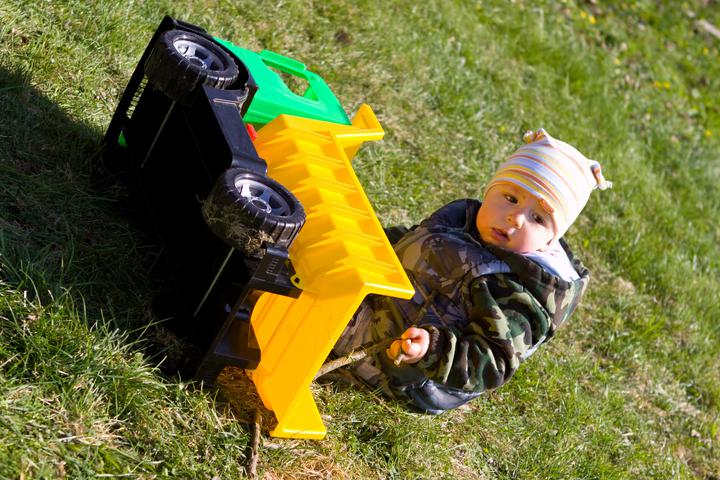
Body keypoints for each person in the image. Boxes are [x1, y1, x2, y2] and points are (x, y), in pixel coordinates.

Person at [331, 128, 612, 413]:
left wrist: (431, 350)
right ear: (491, 190)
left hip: (410, 369)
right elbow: (415, 242)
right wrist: (367, 240)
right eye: (511, 198)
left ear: (550, 240)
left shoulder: (517, 290)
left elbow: (492, 361)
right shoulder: (465, 220)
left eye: (538, 218)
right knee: (329, 255)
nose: (515, 218)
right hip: (390, 310)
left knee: (323, 303)